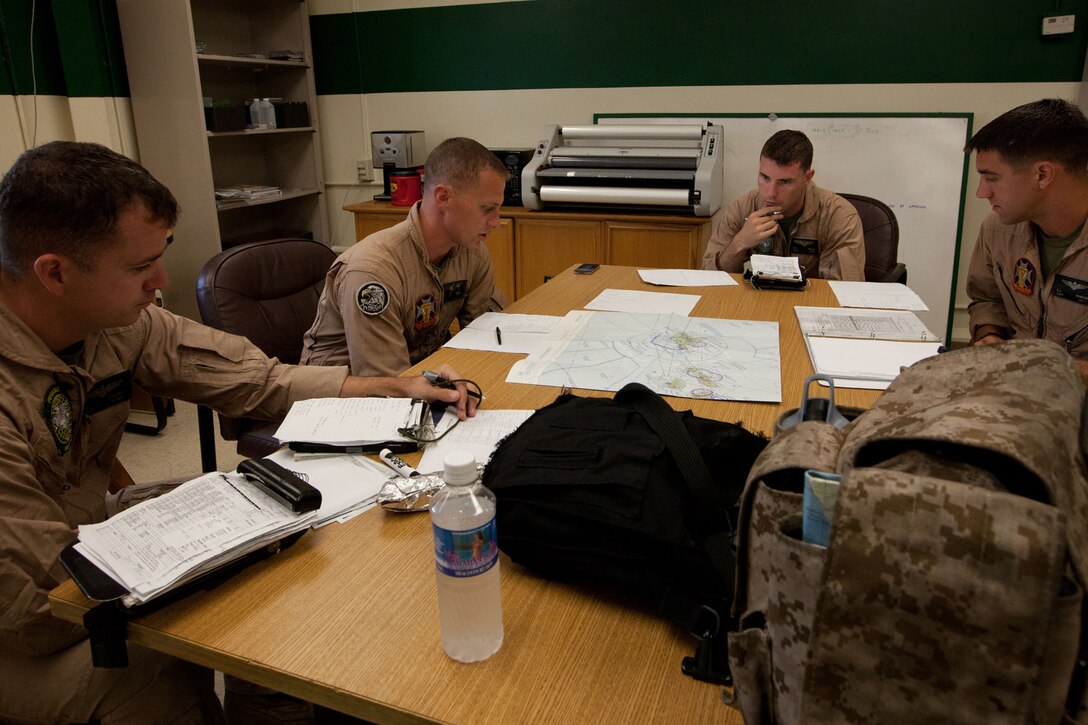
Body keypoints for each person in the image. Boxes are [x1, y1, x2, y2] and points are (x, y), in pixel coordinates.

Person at [0, 141, 475, 724]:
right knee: (156, 658)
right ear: (54, 273)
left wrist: (395, 387)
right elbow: (43, 603)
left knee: (279, 512)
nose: (160, 280)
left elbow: (260, 381)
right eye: (137, 267)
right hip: (22, 617)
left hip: (86, 531)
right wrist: (212, 572)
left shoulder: (114, 322)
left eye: (160, 255)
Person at [301, 136, 508, 376]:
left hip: (415, 374)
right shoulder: (373, 271)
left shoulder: (472, 253)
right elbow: (384, 384)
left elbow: (489, 335)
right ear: (443, 197)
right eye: (487, 209)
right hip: (343, 400)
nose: (496, 222)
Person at [964, 98, 1088, 383]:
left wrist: (1060, 370)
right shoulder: (998, 230)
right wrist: (990, 334)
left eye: (991, 178)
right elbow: (986, 298)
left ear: (1043, 174)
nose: (982, 192)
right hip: (1016, 393)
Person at [701, 129, 866, 280]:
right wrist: (739, 243)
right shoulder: (741, 209)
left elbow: (844, 289)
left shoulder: (838, 216)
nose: (770, 192)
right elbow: (708, 279)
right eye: (764, 177)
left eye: (785, 182)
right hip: (758, 305)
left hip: (809, 306)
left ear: (807, 177)